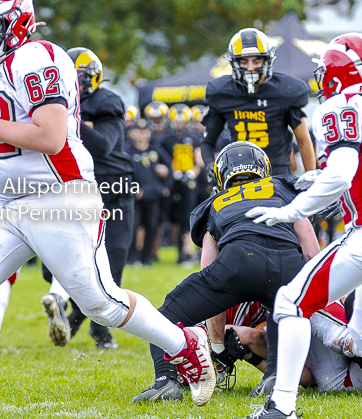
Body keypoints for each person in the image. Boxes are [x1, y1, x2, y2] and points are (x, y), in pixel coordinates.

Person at [0, 0, 217, 419]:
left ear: (16, 23)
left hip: (56, 196)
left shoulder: (38, 58)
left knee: (99, 301)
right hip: (1, 200)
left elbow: (50, 135)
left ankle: (184, 344)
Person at [225, 33, 362, 419]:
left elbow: (342, 176)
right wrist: (317, 176)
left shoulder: (341, 105)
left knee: (289, 303)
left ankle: (282, 408)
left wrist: (294, 209)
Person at [132, 141, 319, 403]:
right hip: (288, 263)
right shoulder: (282, 189)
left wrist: (218, 346)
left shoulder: (215, 203)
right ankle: (275, 375)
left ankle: (166, 381)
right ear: (263, 169)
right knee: (281, 304)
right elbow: (311, 253)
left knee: (166, 314)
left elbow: (210, 271)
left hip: (238, 262)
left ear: (221, 175)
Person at [40, 46, 136, 350]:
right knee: (56, 263)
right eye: (72, 78)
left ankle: (96, 328)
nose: (77, 84)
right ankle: (73, 314)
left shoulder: (106, 102)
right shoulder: (51, 101)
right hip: (74, 187)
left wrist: (67, 120)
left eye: (81, 78)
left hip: (112, 189)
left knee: (113, 261)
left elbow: (104, 145)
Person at [201, 28, 316, 176]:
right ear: (234, 63)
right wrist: (211, 165)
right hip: (240, 174)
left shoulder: (283, 91)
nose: (250, 68)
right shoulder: (223, 93)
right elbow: (207, 142)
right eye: (244, 62)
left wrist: (311, 176)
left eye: (256, 61)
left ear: (267, 61)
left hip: (277, 174)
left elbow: (303, 140)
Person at [158, 104, 202, 265]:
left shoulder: (194, 138)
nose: (179, 125)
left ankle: (186, 252)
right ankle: (178, 250)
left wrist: (193, 172)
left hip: (190, 180)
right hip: (172, 181)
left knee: (188, 215)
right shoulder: (166, 139)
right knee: (173, 217)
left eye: (182, 122)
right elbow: (162, 161)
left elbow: (199, 160)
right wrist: (171, 172)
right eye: (177, 122)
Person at [125, 119, 170, 266]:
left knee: (152, 225)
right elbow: (123, 173)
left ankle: (147, 258)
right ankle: (132, 257)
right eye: (138, 130)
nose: (142, 134)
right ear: (131, 133)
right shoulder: (127, 151)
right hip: (136, 196)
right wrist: (132, 189)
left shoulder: (154, 150)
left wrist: (165, 186)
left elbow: (170, 168)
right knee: (134, 225)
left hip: (154, 195)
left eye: (145, 131)